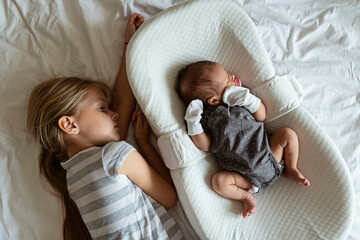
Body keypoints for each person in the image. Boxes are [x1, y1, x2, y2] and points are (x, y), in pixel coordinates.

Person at [27, 14, 183, 240]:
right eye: (102, 108)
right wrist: (142, 143)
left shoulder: (72, 178)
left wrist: (129, 45)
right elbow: (169, 197)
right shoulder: (114, 156)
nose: (115, 113)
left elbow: (121, 104)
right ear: (69, 125)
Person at [175, 60, 310, 219]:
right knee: (219, 182)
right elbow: (205, 145)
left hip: (269, 155)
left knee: (287, 134)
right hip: (246, 178)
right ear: (212, 100)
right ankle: (246, 197)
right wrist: (193, 121)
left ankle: (291, 168)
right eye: (227, 79)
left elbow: (261, 115)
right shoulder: (206, 119)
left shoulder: (238, 100)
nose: (232, 76)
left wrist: (246, 98)